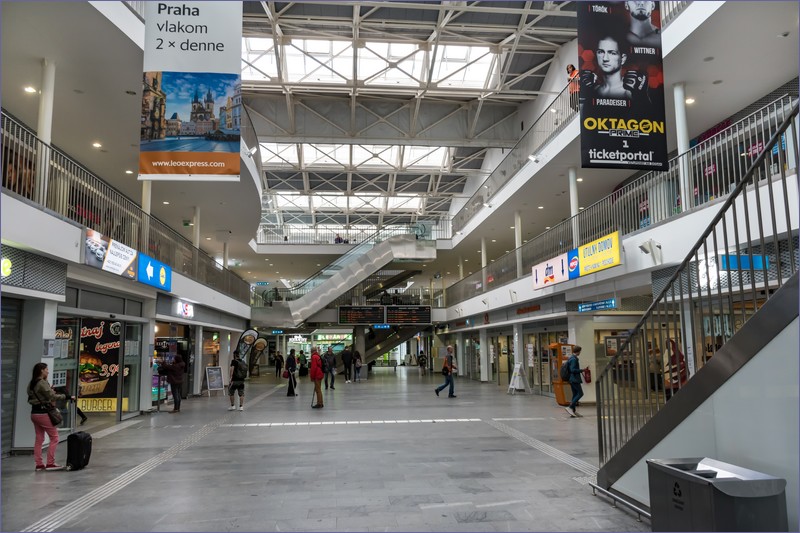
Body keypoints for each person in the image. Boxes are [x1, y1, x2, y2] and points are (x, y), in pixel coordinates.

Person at [27, 362, 75, 471]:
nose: (48, 371)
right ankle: (50, 463)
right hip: (43, 413)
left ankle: (39, 464)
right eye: (46, 369)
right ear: (41, 371)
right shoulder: (42, 383)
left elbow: (32, 396)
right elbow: (52, 396)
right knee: (55, 437)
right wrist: (67, 396)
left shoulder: (32, 383)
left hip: (34, 413)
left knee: (39, 439)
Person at [581, 32, 647, 101]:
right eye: (601, 52)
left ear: (623, 59)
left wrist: (642, 96)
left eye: (612, 53)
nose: (605, 59)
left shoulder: (630, 92)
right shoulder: (594, 90)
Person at [565, 346, 587, 417]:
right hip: (575, 379)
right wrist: (582, 370)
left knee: (575, 395)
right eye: (580, 351)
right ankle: (570, 407)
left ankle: (573, 412)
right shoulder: (574, 359)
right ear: (577, 351)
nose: (580, 352)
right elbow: (573, 370)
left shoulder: (571, 358)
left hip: (572, 379)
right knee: (580, 393)